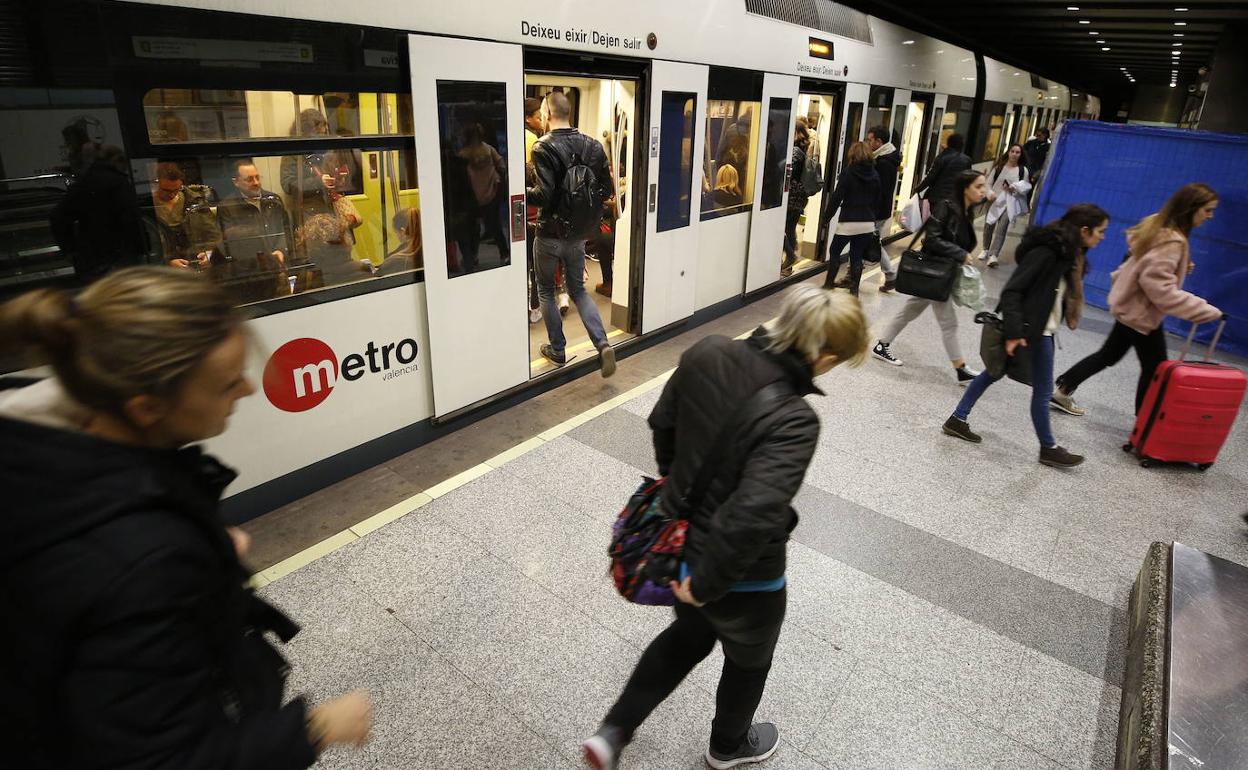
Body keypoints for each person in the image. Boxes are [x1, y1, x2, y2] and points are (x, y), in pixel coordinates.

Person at [0, 267, 373, 770]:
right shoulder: (142, 561)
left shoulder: (43, 445)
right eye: (225, 384)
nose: (245, 390)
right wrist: (315, 729)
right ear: (148, 406)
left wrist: (194, 541)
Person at [582, 285, 870, 770]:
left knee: (688, 638)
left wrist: (681, 489)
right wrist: (708, 583)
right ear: (822, 353)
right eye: (836, 361)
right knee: (749, 659)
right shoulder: (795, 420)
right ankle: (728, 747)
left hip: (679, 544)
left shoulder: (708, 350)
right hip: (745, 574)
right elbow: (753, 513)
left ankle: (613, 732)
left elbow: (664, 423)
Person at [942, 204, 1110, 468]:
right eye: (1101, 231)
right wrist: (1014, 333)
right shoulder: (1048, 252)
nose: (1103, 237)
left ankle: (957, 419)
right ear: (1084, 230)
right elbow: (1012, 291)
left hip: (1039, 329)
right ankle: (1048, 447)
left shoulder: (1068, 255)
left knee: (993, 372)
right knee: (1042, 391)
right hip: (1032, 331)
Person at [1051, 183, 1222, 416]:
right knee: (1155, 369)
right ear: (1191, 208)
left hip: (1130, 306)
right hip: (1141, 313)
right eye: (1207, 210)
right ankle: (1144, 426)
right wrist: (1205, 310)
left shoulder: (1159, 225)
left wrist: (1180, 265)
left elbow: (1142, 264)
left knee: (1108, 355)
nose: (1210, 216)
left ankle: (1064, 389)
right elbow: (1160, 289)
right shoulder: (1173, 240)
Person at [527, 91, 617, 377]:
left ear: (547, 114)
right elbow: (606, 190)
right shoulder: (593, 145)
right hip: (579, 235)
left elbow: (545, 195)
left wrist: (519, 192)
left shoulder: (543, 147)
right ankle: (602, 343)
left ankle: (557, 348)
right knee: (578, 290)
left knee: (545, 290)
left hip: (550, 234)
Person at [872, 169, 987, 385]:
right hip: (935, 271)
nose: (983, 190)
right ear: (965, 188)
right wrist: (960, 253)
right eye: (978, 186)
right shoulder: (947, 207)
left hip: (941, 272)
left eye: (984, 186)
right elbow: (932, 239)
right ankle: (960, 368)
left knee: (909, 310)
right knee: (949, 323)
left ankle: (881, 344)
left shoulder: (965, 209)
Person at [49, 144, 145, 282]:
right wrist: (141, 247)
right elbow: (131, 219)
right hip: (121, 254)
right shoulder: (118, 182)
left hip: (92, 256)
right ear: (117, 161)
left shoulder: (85, 182)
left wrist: (70, 249)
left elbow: (58, 216)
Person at [820, 141, 881, 296]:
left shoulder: (849, 172)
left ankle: (828, 284)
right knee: (857, 255)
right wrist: (873, 219)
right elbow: (878, 200)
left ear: (852, 154)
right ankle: (854, 290)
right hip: (867, 223)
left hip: (848, 221)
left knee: (835, 252)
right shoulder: (875, 174)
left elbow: (836, 197)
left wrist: (826, 217)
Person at [217, 158, 292, 277]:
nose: (256, 182)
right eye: (249, 179)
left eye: (257, 177)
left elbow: (285, 229)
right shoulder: (227, 206)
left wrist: (280, 250)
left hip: (281, 261)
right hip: (251, 268)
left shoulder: (273, 200)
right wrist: (264, 258)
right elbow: (233, 242)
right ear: (236, 182)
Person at [144, 162, 223, 271]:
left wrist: (209, 253)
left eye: (176, 190)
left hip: (197, 263)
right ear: (154, 184)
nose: (172, 195)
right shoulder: (146, 207)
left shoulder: (195, 201)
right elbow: (146, 248)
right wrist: (167, 263)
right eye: (166, 190)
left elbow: (213, 234)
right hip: (163, 270)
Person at [978, 144, 1029, 269]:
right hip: (994, 201)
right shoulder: (999, 168)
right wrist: (990, 194)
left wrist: (1014, 190)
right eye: (1013, 151)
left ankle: (993, 255)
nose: (1015, 154)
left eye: (1018, 152)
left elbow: (1025, 188)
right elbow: (988, 184)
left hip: (1009, 204)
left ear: (1021, 155)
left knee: (1002, 228)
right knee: (989, 225)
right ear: (1008, 152)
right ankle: (985, 248)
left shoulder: (1023, 171)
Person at [867, 125, 902, 292]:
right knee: (870, 240)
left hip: (877, 210)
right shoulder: (886, 158)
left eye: (870, 140)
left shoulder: (884, 162)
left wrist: (871, 210)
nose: (868, 143)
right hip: (880, 209)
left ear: (879, 142)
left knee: (870, 241)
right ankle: (889, 275)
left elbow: (880, 190)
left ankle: (890, 274)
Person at [781, 123, 810, 277]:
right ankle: (788, 265)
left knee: (782, 228)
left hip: (791, 196)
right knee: (790, 229)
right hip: (799, 197)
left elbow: (786, 171)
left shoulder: (794, 151)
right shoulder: (802, 149)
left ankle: (790, 256)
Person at [914, 133, 971, 208]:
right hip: (955, 199)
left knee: (933, 218)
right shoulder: (967, 160)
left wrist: (918, 189)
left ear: (949, 143)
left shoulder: (942, 157)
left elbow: (930, 177)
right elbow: (968, 180)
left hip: (937, 198)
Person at [377, 207, 424, 276]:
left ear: (402, 232)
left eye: (396, 232)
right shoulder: (431, 252)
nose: (397, 236)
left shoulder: (395, 261)